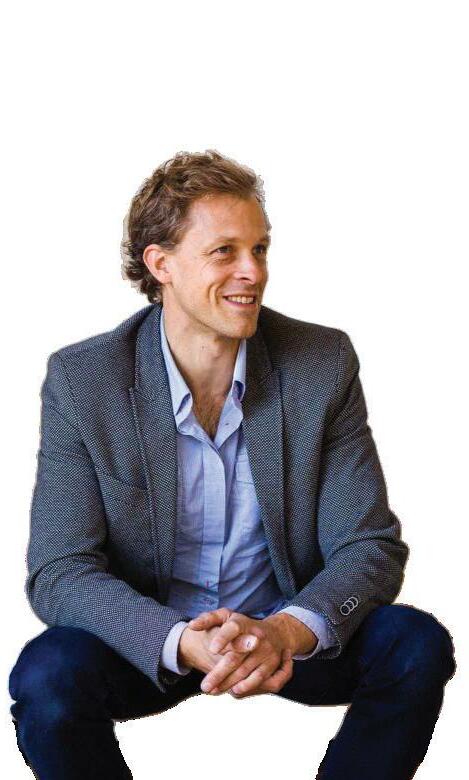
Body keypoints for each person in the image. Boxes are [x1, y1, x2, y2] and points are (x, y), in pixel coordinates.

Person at [8, 149, 456, 780]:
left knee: (415, 645)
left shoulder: (320, 363)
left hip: (282, 634)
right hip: (152, 636)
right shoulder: (86, 380)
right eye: (225, 251)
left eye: (260, 249)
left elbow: (369, 545)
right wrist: (178, 640)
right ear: (160, 264)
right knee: (47, 676)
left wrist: (285, 632)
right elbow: (60, 569)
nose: (253, 271)